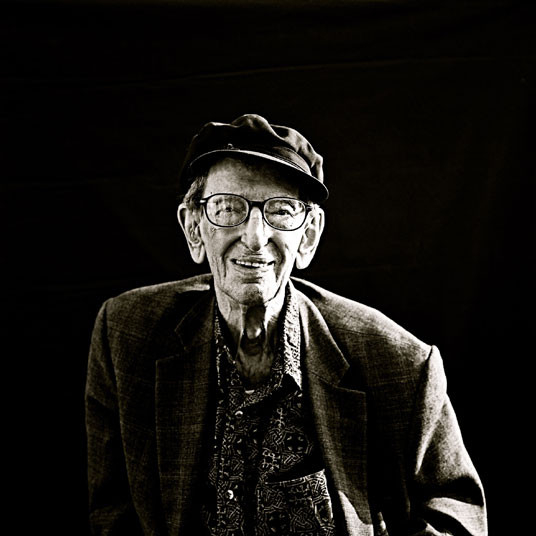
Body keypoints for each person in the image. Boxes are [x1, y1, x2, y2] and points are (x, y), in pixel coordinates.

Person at [85, 114, 487, 536]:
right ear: (194, 229)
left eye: (280, 211)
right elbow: (111, 515)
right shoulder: (126, 335)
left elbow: (458, 515)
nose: (255, 237)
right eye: (228, 208)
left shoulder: (399, 363)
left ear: (308, 236)